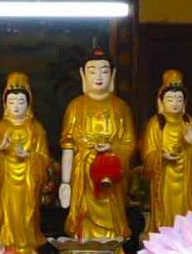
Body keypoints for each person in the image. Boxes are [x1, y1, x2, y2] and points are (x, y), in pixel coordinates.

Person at [59, 46, 137, 241]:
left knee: (111, 212)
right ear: (83, 74)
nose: (99, 76)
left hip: (112, 175)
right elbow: (68, 145)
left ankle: (112, 244)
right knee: (83, 218)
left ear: (113, 74)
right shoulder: (75, 106)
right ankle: (85, 242)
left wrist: (113, 148)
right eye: (92, 71)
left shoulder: (121, 107)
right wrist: (65, 182)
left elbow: (129, 143)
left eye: (104, 71)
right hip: (83, 175)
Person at [0, 71, 51, 254]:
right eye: (12, 102)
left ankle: (27, 246)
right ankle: (6, 246)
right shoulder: (1, 127)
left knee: (27, 213)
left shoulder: (36, 129)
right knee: (7, 213)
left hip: (28, 181)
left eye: (21, 102)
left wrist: (29, 156)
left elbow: (44, 158)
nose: (16, 106)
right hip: (6, 181)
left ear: (29, 103)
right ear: (5, 103)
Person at [141, 69, 192, 236]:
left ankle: (187, 238)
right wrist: (161, 156)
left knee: (185, 212)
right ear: (161, 102)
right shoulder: (156, 124)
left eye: (179, 99)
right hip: (165, 178)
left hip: (185, 179)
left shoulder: (189, 123)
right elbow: (148, 154)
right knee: (165, 211)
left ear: (184, 102)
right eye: (170, 99)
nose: (175, 103)